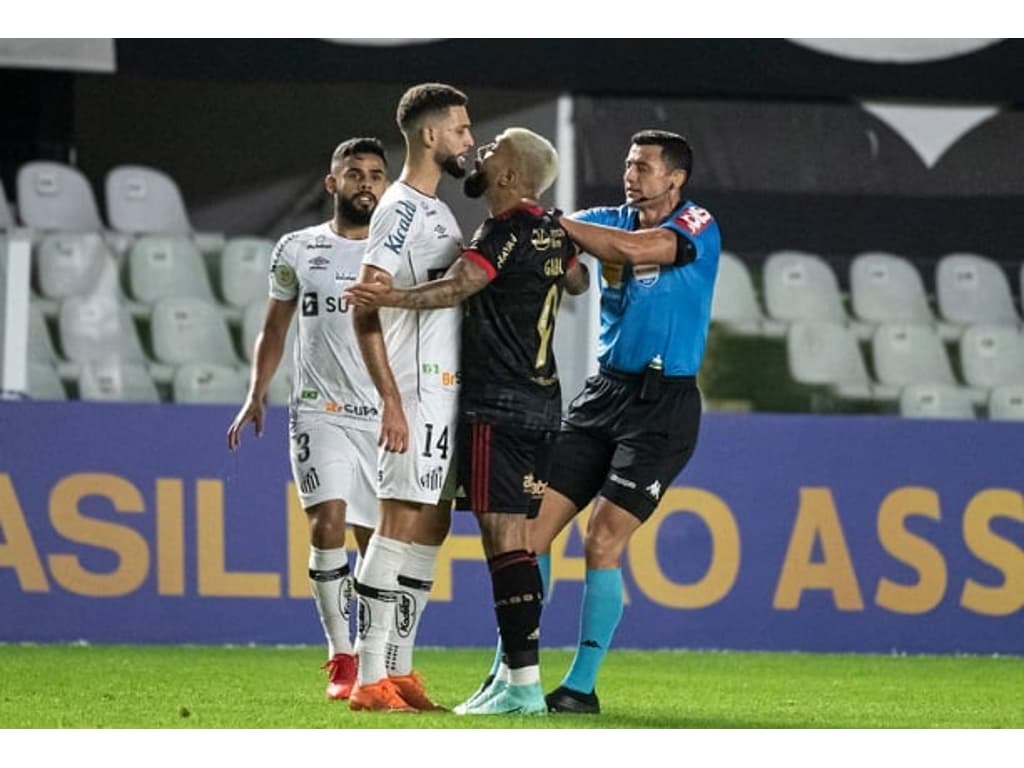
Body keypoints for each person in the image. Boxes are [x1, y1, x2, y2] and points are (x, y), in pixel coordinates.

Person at [345, 127, 589, 716]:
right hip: (544, 402)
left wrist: (389, 298)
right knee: (520, 544)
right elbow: (577, 279)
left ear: (509, 176)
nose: (480, 153)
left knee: (505, 544)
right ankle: (512, 677)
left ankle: (522, 685)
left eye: (494, 149)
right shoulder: (549, 228)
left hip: (499, 405)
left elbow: (463, 284)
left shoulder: (506, 229)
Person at [532, 129, 721, 714]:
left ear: (676, 179)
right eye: (627, 162)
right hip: (603, 392)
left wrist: (557, 224)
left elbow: (637, 252)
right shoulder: (608, 218)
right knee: (530, 532)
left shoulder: (697, 225)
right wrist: (564, 257)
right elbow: (571, 262)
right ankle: (512, 673)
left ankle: (580, 686)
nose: (631, 174)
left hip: (663, 404)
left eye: (644, 166)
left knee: (603, 538)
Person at [226, 137, 390, 702]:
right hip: (319, 410)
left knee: (377, 548)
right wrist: (256, 393)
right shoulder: (297, 248)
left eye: (375, 174)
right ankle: (340, 656)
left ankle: (378, 660)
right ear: (332, 183)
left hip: (381, 415)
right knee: (327, 525)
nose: (365, 182)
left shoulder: (399, 252)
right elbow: (275, 328)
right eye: (354, 173)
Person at [348, 82, 474, 712]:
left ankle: (399, 670)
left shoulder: (439, 211)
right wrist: (390, 402)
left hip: (443, 395)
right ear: (430, 135)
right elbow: (364, 305)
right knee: (395, 525)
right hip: (413, 395)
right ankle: (369, 677)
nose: (468, 140)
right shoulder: (398, 209)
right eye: (460, 128)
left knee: (433, 525)